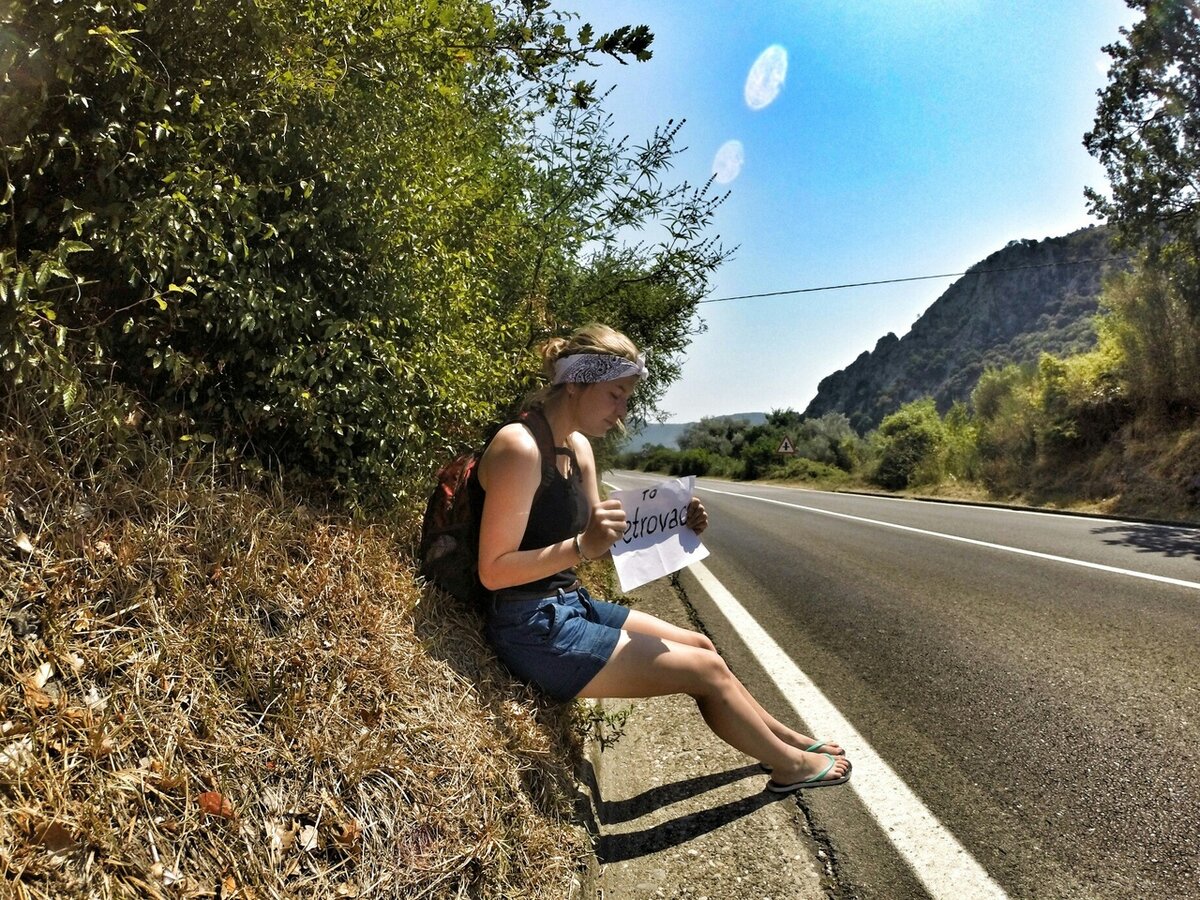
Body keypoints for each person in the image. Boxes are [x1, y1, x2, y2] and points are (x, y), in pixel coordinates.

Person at [475, 324, 851, 792]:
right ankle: (789, 766)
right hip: (528, 626)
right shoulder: (520, 447)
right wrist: (579, 547)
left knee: (702, 646)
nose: (623, 412)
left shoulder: (579, 448)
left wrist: (676, 523)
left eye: (626, 397)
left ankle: (787, 741)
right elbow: (493, 571)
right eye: (615, 395)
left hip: (569, 603)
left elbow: (605, 537)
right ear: (575, 382)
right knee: (705, 672)